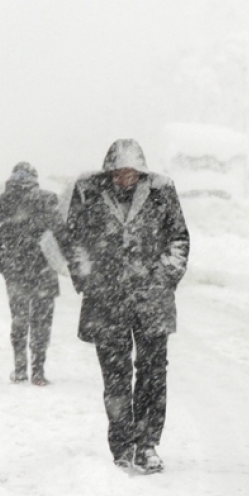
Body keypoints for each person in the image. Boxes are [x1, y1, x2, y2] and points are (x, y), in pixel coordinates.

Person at [61, 139, 189, 474]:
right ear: (109, 172)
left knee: (153, 375)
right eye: (118, 173)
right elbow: (74, 241)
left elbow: (178, 239)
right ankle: (122, 445)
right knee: (116, 378)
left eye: (131, 173)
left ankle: (146, 444)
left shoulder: (161, 192)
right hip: (107, 301)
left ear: (142, 172)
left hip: (152, 300)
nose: (124, 179)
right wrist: (89, 278)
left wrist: (161, 277)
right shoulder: (89, 193)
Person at [0, 162, 62, 386]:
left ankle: (19, 369)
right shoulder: (47, 199)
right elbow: (61, 233)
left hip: (15, 273)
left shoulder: (0, 202)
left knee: (19, 321)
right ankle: (38, 372)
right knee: (42, 322)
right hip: (44, 271)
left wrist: (3, 266)